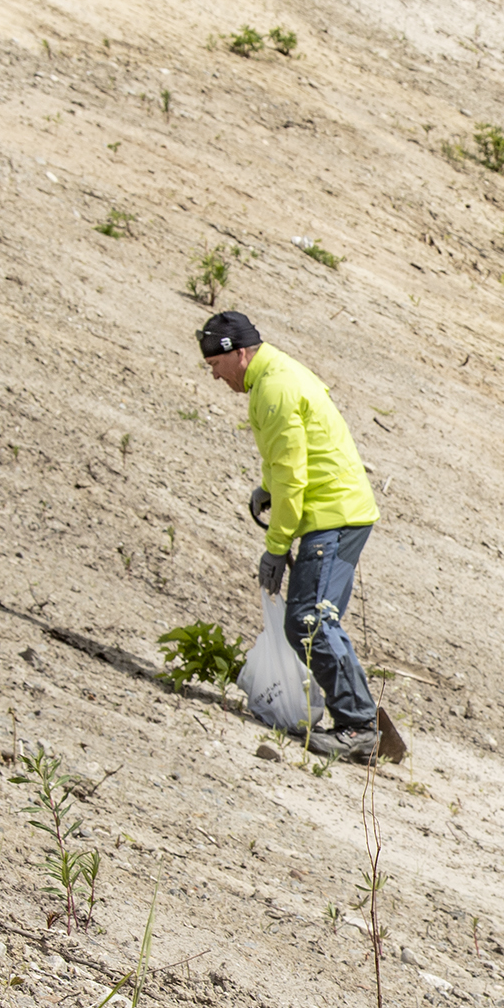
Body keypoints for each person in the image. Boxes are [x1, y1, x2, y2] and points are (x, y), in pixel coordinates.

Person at [198, 310, 395, 764]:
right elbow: (291, 458)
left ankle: (360, 727)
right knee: (318, 621)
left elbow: (292, 478)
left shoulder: (275, 388)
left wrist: (275, 547)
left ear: (239, 353)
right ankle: (358, 721)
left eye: (215, 364)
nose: (214, 375)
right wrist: (267, 490)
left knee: (308, 621)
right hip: (342, 511)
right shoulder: (274, 376)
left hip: (332, 516)